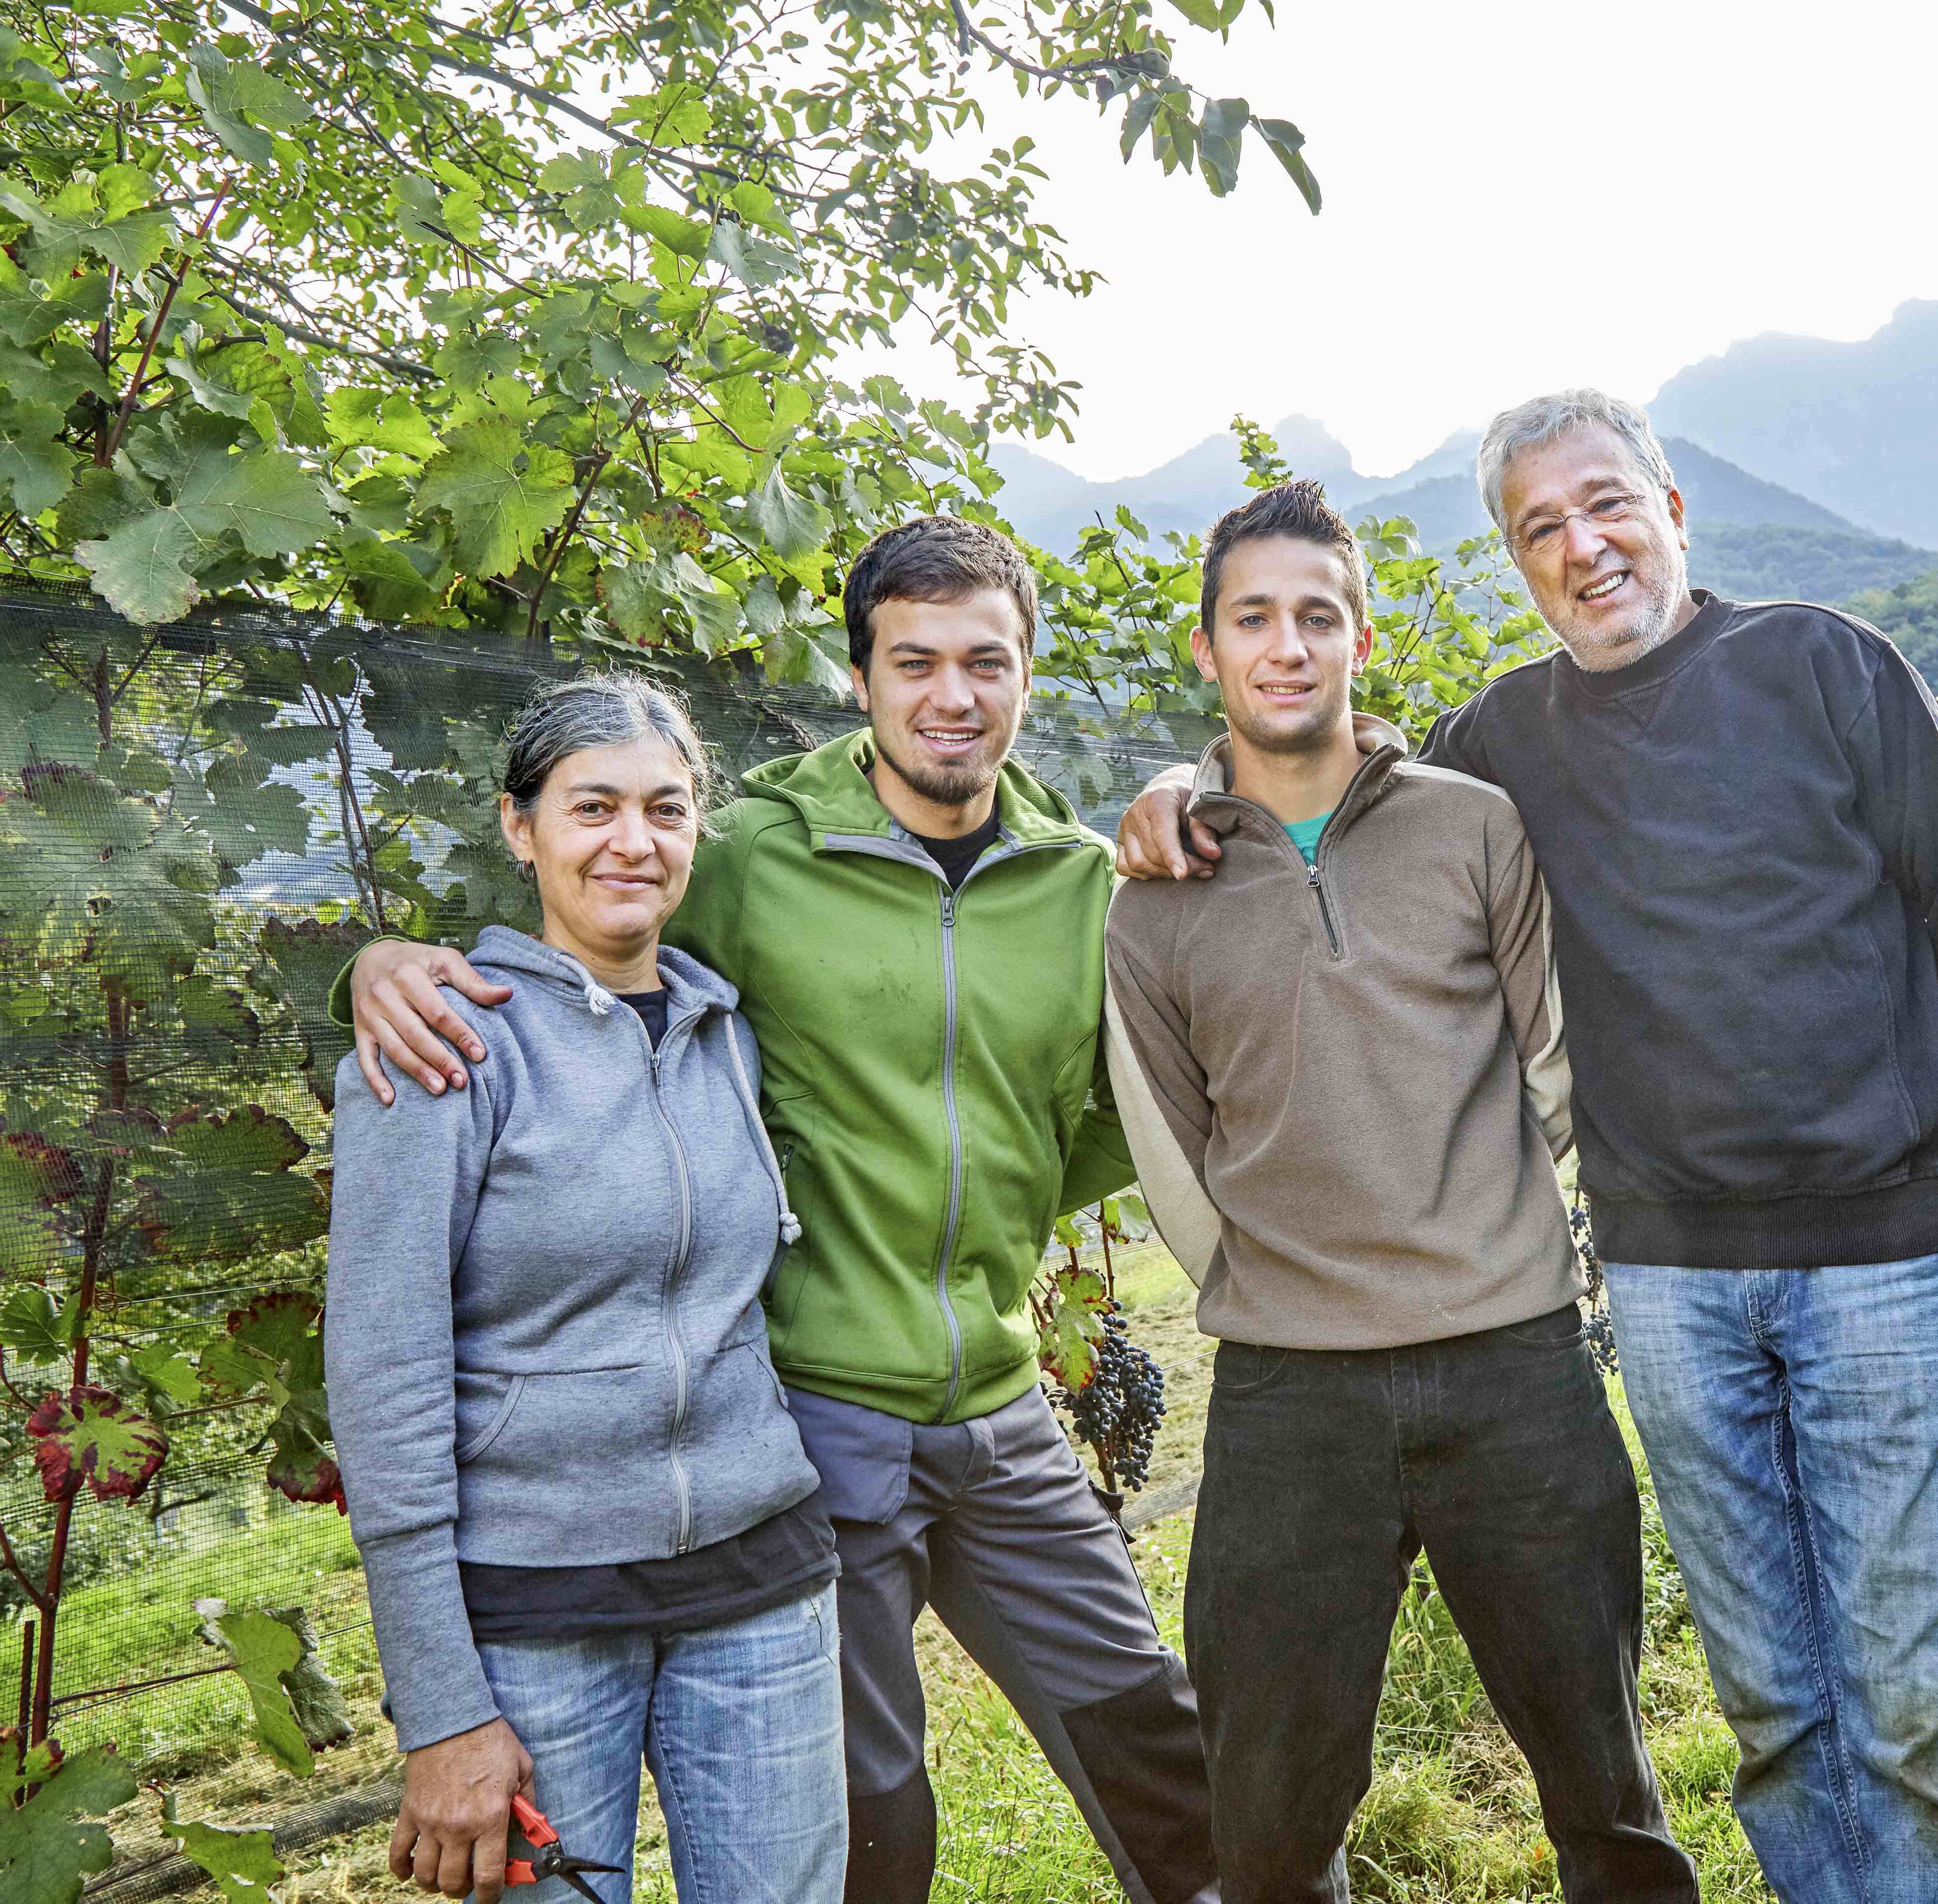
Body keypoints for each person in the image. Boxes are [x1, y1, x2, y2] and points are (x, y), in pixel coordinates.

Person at [1119, 392, 1938, 1903]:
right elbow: (1337, 807)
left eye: (1606, 503)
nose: (1583, 546)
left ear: (1672, 506)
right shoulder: (1500, 745)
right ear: (1514, 559)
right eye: (1538, 527)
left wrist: (1884, 1104)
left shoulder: (1823, 666)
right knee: (1770, 1711)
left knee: (1913, 1710)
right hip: (1672, 1280)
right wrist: (1179, 792)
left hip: (1877, 1262)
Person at [337, 521, 1216, 1904]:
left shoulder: (1075, 880)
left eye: (986, 660)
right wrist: (379, 964)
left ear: (1027, 677)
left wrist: (1187, 781)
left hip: (993, 1406)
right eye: (912, 660)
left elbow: (1120, 1107)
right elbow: (578, 958)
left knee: (1156, 1743)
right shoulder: (747, 854)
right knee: (870, 1817)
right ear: (859, 679)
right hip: (812, 1421)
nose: (951, 694)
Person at [1103, 481, 1697, 1903]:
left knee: (1603, 1792)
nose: (1288, 646)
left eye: (1319, 615)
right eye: (1254, 619)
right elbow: (1172, 1153)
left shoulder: (1473, 828)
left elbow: (1550, 1063)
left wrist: (1469, 1215)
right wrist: (1284, 1284)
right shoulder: (1155, 891)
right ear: (1208, 650)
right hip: (1288, 1404)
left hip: (1516, 1371)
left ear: (1360, 638)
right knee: (1269, 1825)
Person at [328, 676, 845, 1904]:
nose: (633, 840)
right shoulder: (446, 1041)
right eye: (592, 805)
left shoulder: (728, 1029)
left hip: (760, 1587)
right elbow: (383, 1378)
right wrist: (441, 1708)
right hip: (533, 1618)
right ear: (522, 827)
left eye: (667, 809)